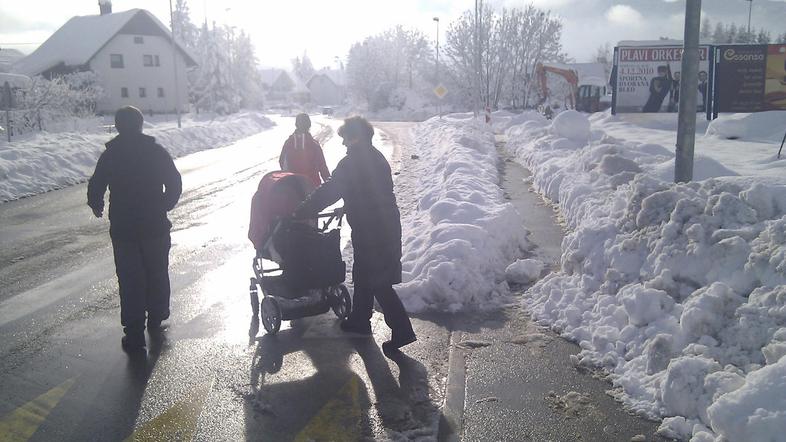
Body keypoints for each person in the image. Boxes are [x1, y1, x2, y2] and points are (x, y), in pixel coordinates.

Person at [294, 116, 416, 356]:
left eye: (345, 139)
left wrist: (301, 211)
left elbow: (329, 191)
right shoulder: (375, 158)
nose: (343, 144)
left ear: (356, 136)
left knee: (379, 282)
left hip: (373, 231)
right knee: (363, 274)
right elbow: (371, 193)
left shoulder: (352, 163)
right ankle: (360, 319)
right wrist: (347, 207)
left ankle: (402, 330)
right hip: (382, 226)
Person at [87, 106, 182, 352]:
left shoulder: (112, 154)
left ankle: (134, 332)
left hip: (124, 229)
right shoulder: (155, 151)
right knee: (157, 271)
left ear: (118, 126)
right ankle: (157, 315)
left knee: (130, 279)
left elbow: (97, 183)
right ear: (141, 124)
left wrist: (96, 203)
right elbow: (174, 182)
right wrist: (164, 205)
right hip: (155, 226)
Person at [279, 113, 331, 188]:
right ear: (309, 126)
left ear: (296, 124)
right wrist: (329, 186)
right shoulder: (313, 144)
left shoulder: (288, 143)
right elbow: (323, 167)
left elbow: (282, 163)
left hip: (293, 187)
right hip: (313, 187)